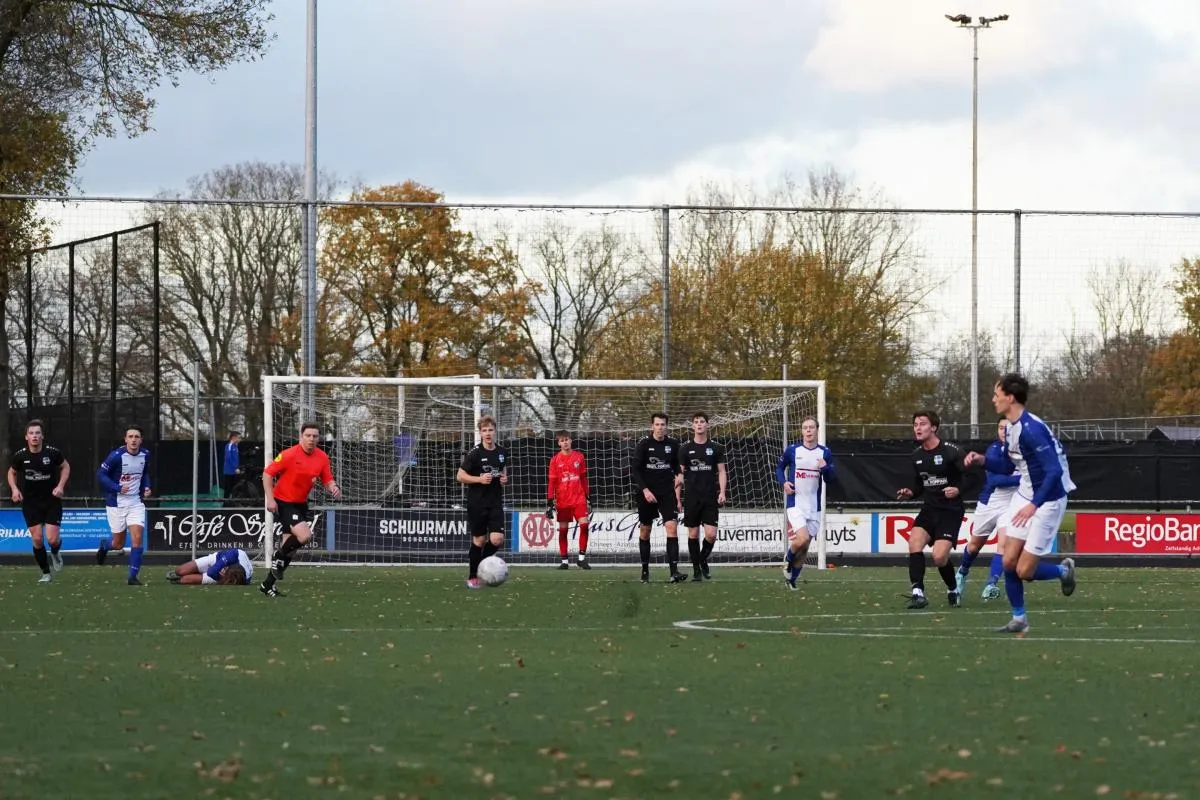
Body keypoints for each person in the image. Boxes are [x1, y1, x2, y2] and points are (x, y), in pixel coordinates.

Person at [984, 373, 1077, 634]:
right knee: (1008, 562)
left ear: (1010, 398)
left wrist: (1034, 505)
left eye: (997, 394)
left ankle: (1063, 571)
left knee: (1024, 570)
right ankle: (1019, 618)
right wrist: (981, 461)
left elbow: (1053, 472)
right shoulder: (1011, 427)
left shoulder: (1031, 430)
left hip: (1048, 500)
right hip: (1026, 495)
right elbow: (1006, 465)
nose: (993, 399)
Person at [895, 410, 976, 610]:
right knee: (914, 543)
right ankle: (918, 593)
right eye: (915, 424)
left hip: (950, 510)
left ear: (934, 427)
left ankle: (952, 588)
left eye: (922, 424)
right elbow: (919, 485)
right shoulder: (916, 456)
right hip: (930, 509)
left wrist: (958, 489)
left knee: (939, 557)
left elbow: (972, 476)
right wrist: (910, 493)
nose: (918, 428)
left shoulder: (952, 451)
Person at [259, 422, 342, 597]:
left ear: (318, 438)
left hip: (301, 504)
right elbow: (267, 474)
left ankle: (267, 585)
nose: (311, 439)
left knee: (290, 549)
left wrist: (334, 487)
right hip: (283, 502)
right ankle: (277, 557)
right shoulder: (289, 455)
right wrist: (270, 499)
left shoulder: (322, 457)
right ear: (301, 437)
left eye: (315, 436)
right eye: (308, 435)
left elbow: (327, 479)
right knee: (305, 536)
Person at [956, 418, 1020, 602]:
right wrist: (1023, 479)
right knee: (975, 545)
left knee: (1004, 545)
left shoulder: (1023, 450)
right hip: (990, 503)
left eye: (1007, 428)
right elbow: (995, 480)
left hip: (1011, 504)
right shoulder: (994, 450)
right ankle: (962, 572)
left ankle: (991, 584)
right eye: (1000, 428)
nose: (1003, 432)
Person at [775, 415, 835, 590]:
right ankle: (787, 559)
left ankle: (792, 580)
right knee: (801, 538)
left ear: (817, 430)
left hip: (814, 507)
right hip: (796, 504)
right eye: (805, 428)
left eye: (811, 427)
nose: (808, 430)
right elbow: (779, 468)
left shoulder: (825, 452)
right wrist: (784, 483)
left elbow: (830, 479)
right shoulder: (793, 450)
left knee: (804, 547)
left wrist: (825, 467)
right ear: (801, 431)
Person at [8, 419, 71, 584]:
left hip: (51, 500)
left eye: (37, 433)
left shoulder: (52, 453)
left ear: (42, 436)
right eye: (31, 433)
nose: (34, 436)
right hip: (31, 502)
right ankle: (46, 573)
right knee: (37, 539)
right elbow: (11, 472)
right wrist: (14, 489)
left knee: (52, 540)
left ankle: (55, 552)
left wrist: (60, 486)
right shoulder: (20, 456)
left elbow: (65, 467)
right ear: (26, 437)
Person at [631, 412, 685, 584]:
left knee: (672, 527)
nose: (660, 428)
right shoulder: (644, 444)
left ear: (666, 426)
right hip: (647, 493)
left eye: (663, 425)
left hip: (666, 492)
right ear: (652, 426)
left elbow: (677, 466)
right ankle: (645, 570)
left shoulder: (673, 444)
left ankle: (674, 572)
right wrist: (645, 490)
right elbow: (635, 469)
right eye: (657, 424)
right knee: (645, 531)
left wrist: (680, 475)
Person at [96, 425, 152, 585]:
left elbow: (145, 473)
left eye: (137, 437)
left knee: (137, 538)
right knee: (118, 544)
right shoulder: (116, 456)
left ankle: (132, 577)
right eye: (130, 436)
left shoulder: (146, 454)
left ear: (141, 440)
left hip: (135, 503)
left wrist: (147, 487)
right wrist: (117, 487)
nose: (133, 440)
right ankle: (105, 545)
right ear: (125, 439)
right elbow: (100, 474)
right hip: (116, 504)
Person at [457, 415, 508, 589]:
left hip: (495, 502)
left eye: (490, 430)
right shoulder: (475, 453)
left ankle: (481, 565)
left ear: (495, 431)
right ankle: (473, 576)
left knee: (497, 539)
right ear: (480, 433)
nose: (488, 433)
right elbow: (460, 476)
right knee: (479, 541)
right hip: (477, 503)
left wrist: (504, 479)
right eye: (484, 430)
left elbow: (503, 471)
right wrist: (479, 479)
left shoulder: (502, 452)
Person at [676, 411, 727, 582]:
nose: (699, 424)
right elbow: (679, 475)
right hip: (692, 497)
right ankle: (696, 570)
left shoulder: (716, 448)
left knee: (711, 534)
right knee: (693, 533)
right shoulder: (685, 449)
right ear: (693, 426)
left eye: (702, 421)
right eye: (696, 421)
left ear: (707, 425)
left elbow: (722, 471)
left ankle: (702, 559)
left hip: (710, 497)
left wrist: (722, 491)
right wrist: (677, 497)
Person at [546, 430, 591, 570]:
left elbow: (583, 478)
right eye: (562, 440)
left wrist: (588, 496)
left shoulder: (579, 457)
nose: (565, 442)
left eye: (567, 439)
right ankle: (564, 561)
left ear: (571, 440)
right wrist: (550, 502)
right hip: (563, 500)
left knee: (585, 525)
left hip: (579, 498)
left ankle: (581, 559)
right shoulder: (555, 460)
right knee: (563, 530)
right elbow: (552, 483)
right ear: (558, 443)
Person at [167, 547, 254, 585]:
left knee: (184, 580)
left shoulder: (245, 580)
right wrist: (220, 572)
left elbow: (212, 574)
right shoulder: (233, 555)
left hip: (223, 575)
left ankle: (196, 574)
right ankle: (196, 571)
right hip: (216, 559)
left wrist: (222, 579)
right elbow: (211, 572)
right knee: (179, 571)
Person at [222, 431, 241, 498]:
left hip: (235, 472)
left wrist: (237, 468)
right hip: (229, 472)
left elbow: (235, 459)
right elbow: (228, 458)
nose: (240, 439)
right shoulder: (229, 446)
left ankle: (233, 502)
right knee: (227, 490)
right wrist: (235, 468)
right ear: (233, 438)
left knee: (235, 489)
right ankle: (225, 503)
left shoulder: (236, 447)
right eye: (238, 438)